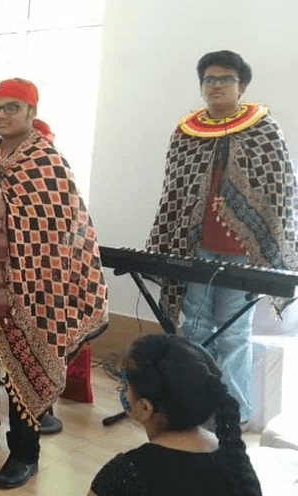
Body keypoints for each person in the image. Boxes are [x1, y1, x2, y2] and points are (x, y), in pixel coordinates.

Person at [0, 78, 108, 489]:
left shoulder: (48, 160)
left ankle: (24, 454)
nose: (2, 115)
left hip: (24, 288)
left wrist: (11, 210)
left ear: (31, 112)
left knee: (21, 368)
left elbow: (66, 224)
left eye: (12, 107)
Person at [147, 50, 298, 424]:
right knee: (195, 330)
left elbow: (281, 189)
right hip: (197, 247)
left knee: (234, 334)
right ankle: (195, 409)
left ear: (241, 85)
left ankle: (233, 413)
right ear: (201, 86)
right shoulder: (186, 132)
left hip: (241, 252)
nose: (216, 86)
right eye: (209, 79)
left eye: (225, 79)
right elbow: (175, 192)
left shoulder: (264, 129)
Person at [89, 334, 262, 496]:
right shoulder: (236, 463)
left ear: (145, 408)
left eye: (125, 386)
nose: (123, 392)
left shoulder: (125, 473)